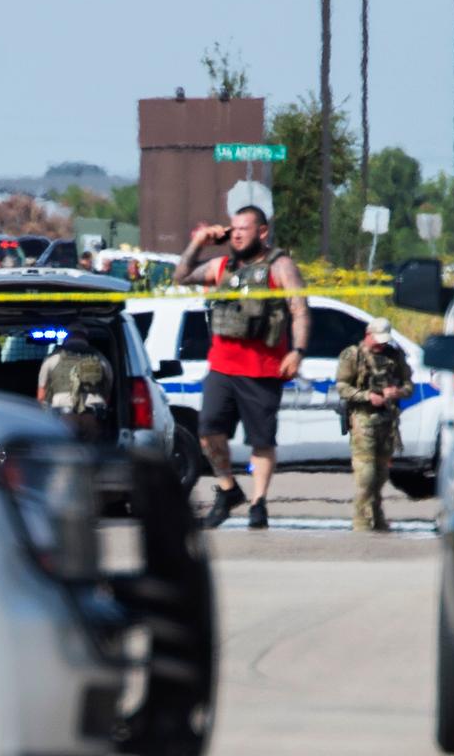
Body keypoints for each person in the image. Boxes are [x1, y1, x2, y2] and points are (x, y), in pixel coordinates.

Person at [174, 206, 311, 530]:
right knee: (208, 431)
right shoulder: (222, 265)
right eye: (232, 228)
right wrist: (200, 242)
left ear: (262, 232)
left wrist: (298, 351)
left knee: (261, 440)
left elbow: (300, 309)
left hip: (263, 369)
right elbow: (181, 276)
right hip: (222, 366)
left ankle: (258, 503)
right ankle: (228, 489)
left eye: (243, 229)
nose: (235, 234)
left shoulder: (280, 265)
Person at [335, 317, 414, 532]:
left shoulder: (394, 356)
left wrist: (396, 392)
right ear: (368, 334)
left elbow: (409, 385)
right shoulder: (353, 355)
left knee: (380, 474)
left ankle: (376, 517)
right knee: (366, 473)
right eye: (377, 340)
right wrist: (367, 396)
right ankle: (361, 520)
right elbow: (342, 387)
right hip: (363, 419)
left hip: (387, 421)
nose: (381, 345)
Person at [37, 332, 114, 439]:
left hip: (64, 415)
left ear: (66, 338)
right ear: (86, 337)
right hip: (91, 414)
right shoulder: (100, 358)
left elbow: (41, 397)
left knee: (67, 451)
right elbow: (108, 389)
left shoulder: (52, 358)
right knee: (93, 452)